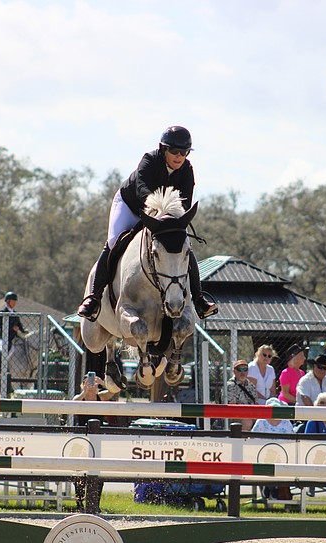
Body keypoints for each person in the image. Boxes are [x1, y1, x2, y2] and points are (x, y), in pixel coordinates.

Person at [76, 126, 217, 322]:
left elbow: (184, 202)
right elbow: (142, 189)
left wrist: (171, 221)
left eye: (184, 152)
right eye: (174, 151)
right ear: (163, 149)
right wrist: (155, 213)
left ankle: (199, 299)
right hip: (131, 205)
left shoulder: (187, 170)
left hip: (163, 216)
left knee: (184, 245)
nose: (179, 156)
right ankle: (94, 298)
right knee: (114, 241)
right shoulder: (149, 160)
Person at [71, 372, 119, 513]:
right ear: (82, 384)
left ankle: (95, 504)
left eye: (93, 382)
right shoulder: (80, 398)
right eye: (88, 382)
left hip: (97, 441)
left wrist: (104, 384)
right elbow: (74, 404)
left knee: (97, 472)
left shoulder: (101, 397)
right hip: (81, 441)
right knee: (79, 473)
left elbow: (116, 391)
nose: (92, 385)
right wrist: (84, 392)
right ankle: (80, 505)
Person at [226, 359, 259, 430]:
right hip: (234, 415)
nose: (242, 372)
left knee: (264, 420)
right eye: (239, 370)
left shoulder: (251, 385)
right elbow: (231, 408)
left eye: (245, 369)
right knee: (247, 421)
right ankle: (244, 440)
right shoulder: (229, 386)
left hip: (251, 414)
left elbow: (255, 403)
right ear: (234, 371)